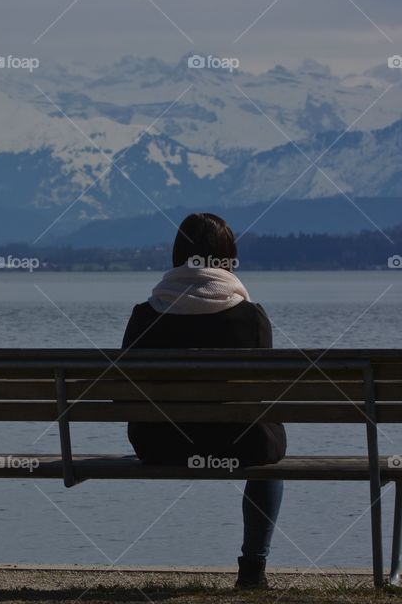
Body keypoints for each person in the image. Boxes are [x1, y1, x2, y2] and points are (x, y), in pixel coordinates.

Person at [120, 212, 286, 589]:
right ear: (228, 259)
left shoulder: (144, 316)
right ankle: (253, 569)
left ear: (178, 255)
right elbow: (266, 393)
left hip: (158, 442)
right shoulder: (251, 317)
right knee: (270, 456)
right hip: (241, 444)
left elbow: (122, 392)